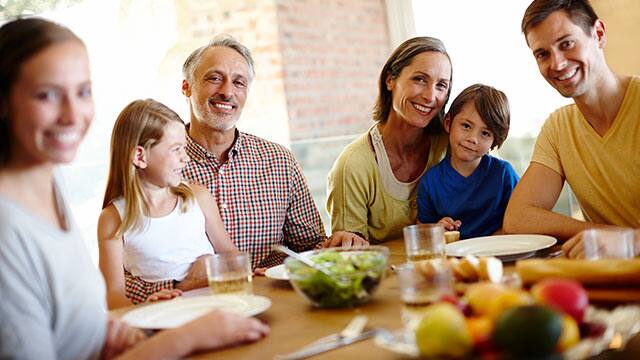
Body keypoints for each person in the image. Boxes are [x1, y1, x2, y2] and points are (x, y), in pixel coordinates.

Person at [0, 17, 267, 359]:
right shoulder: (9, 230)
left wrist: (104, 331)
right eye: (47, 94)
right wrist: (188, 337)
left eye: (83, 91)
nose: (72, 114)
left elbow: (67, 321)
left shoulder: (50, 192)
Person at [178, 34, 366, 270]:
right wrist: (176, 285)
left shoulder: (279, 161)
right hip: (192, 302)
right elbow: (127, 268)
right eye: (215, 78)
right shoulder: (154, 166)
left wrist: (340, 246)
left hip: (274, 297)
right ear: (186, 86)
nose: (227, 92)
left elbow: (308, 247)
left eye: (239, 82)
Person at [504, 0, 640, 258]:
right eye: (542, 54)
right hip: (613, 281)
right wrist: (600, 234)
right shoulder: (558, 127)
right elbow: (518, 217)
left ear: (598, 34)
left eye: (566, 44)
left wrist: (629, 242)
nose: (557, 64)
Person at [98, 99, 239, 308]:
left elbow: (230, 255)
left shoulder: (198, 197)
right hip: (163, 317)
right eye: (176, 149)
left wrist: (245, 271)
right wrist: (147, 306)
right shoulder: (113, 219)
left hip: (220, 307)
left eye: (184, 148)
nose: (186, 158)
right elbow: (113, 295)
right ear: (140, 156)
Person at [326, 36, 452, 244]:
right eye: (420, 79)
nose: (430, 96)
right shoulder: (353, 164)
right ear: (390, 80)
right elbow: (349, 253)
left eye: (441, 85)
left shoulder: (451, 146)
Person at [417, 84, 519, 239]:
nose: (472, 139)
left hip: (498, 254)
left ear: (495, 140)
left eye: (485, 133)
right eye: (466, 126)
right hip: (452, 258)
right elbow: (422, 230)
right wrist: (437, 230)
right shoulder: (430, 181)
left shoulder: (503, 174)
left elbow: (521, 218)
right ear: (448, 123)